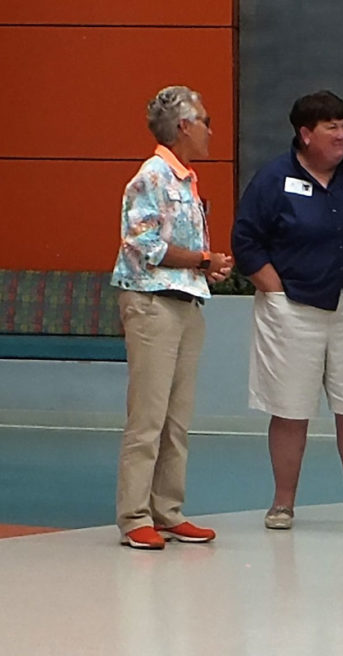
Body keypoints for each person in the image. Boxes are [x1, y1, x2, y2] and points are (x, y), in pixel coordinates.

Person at [232, 90, 343, 530]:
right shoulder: (272, 180)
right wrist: (276, 292)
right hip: (292, 308)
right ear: (305, 134)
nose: (342, 135)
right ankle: (282, 504)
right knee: (289, 409)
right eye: (331, 127)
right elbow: (245, 241)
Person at [111, 85, 232, 549]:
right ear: (183, 126)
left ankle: (168, 509)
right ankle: (134, 515)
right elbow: (143, 245)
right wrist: (203, 259)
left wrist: (205, 268)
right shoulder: (152, 177)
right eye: (205, 122)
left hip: (183, 302)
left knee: (176, 418)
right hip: (151, 304)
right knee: (148, 417)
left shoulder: (184, 179)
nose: (210, 131)